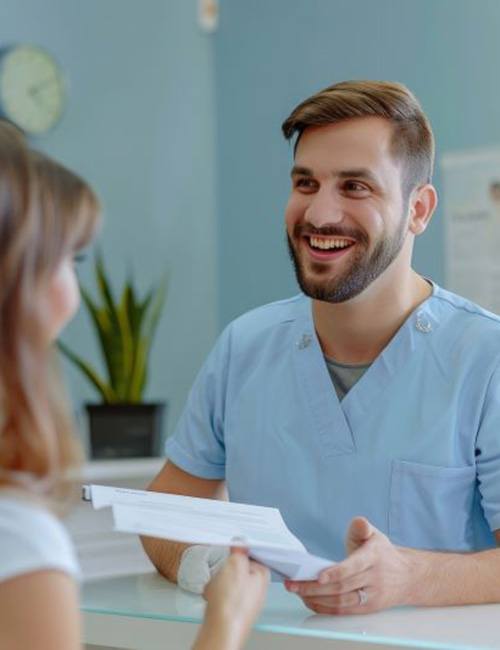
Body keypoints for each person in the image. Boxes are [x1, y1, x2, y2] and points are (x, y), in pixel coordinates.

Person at [143, 79, 500, 615]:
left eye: (355, 187)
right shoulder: (245, 346)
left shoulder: (484, 357)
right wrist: (202, 562)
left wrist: (410, 577)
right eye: (306, 183)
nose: (319, 214)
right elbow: (165, 512)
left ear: (418, 210)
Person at [0, 121, 269, 650]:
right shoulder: (19, 539)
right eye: (67, 259)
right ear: (23, 286)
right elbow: (169, 503)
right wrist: (226, 623)